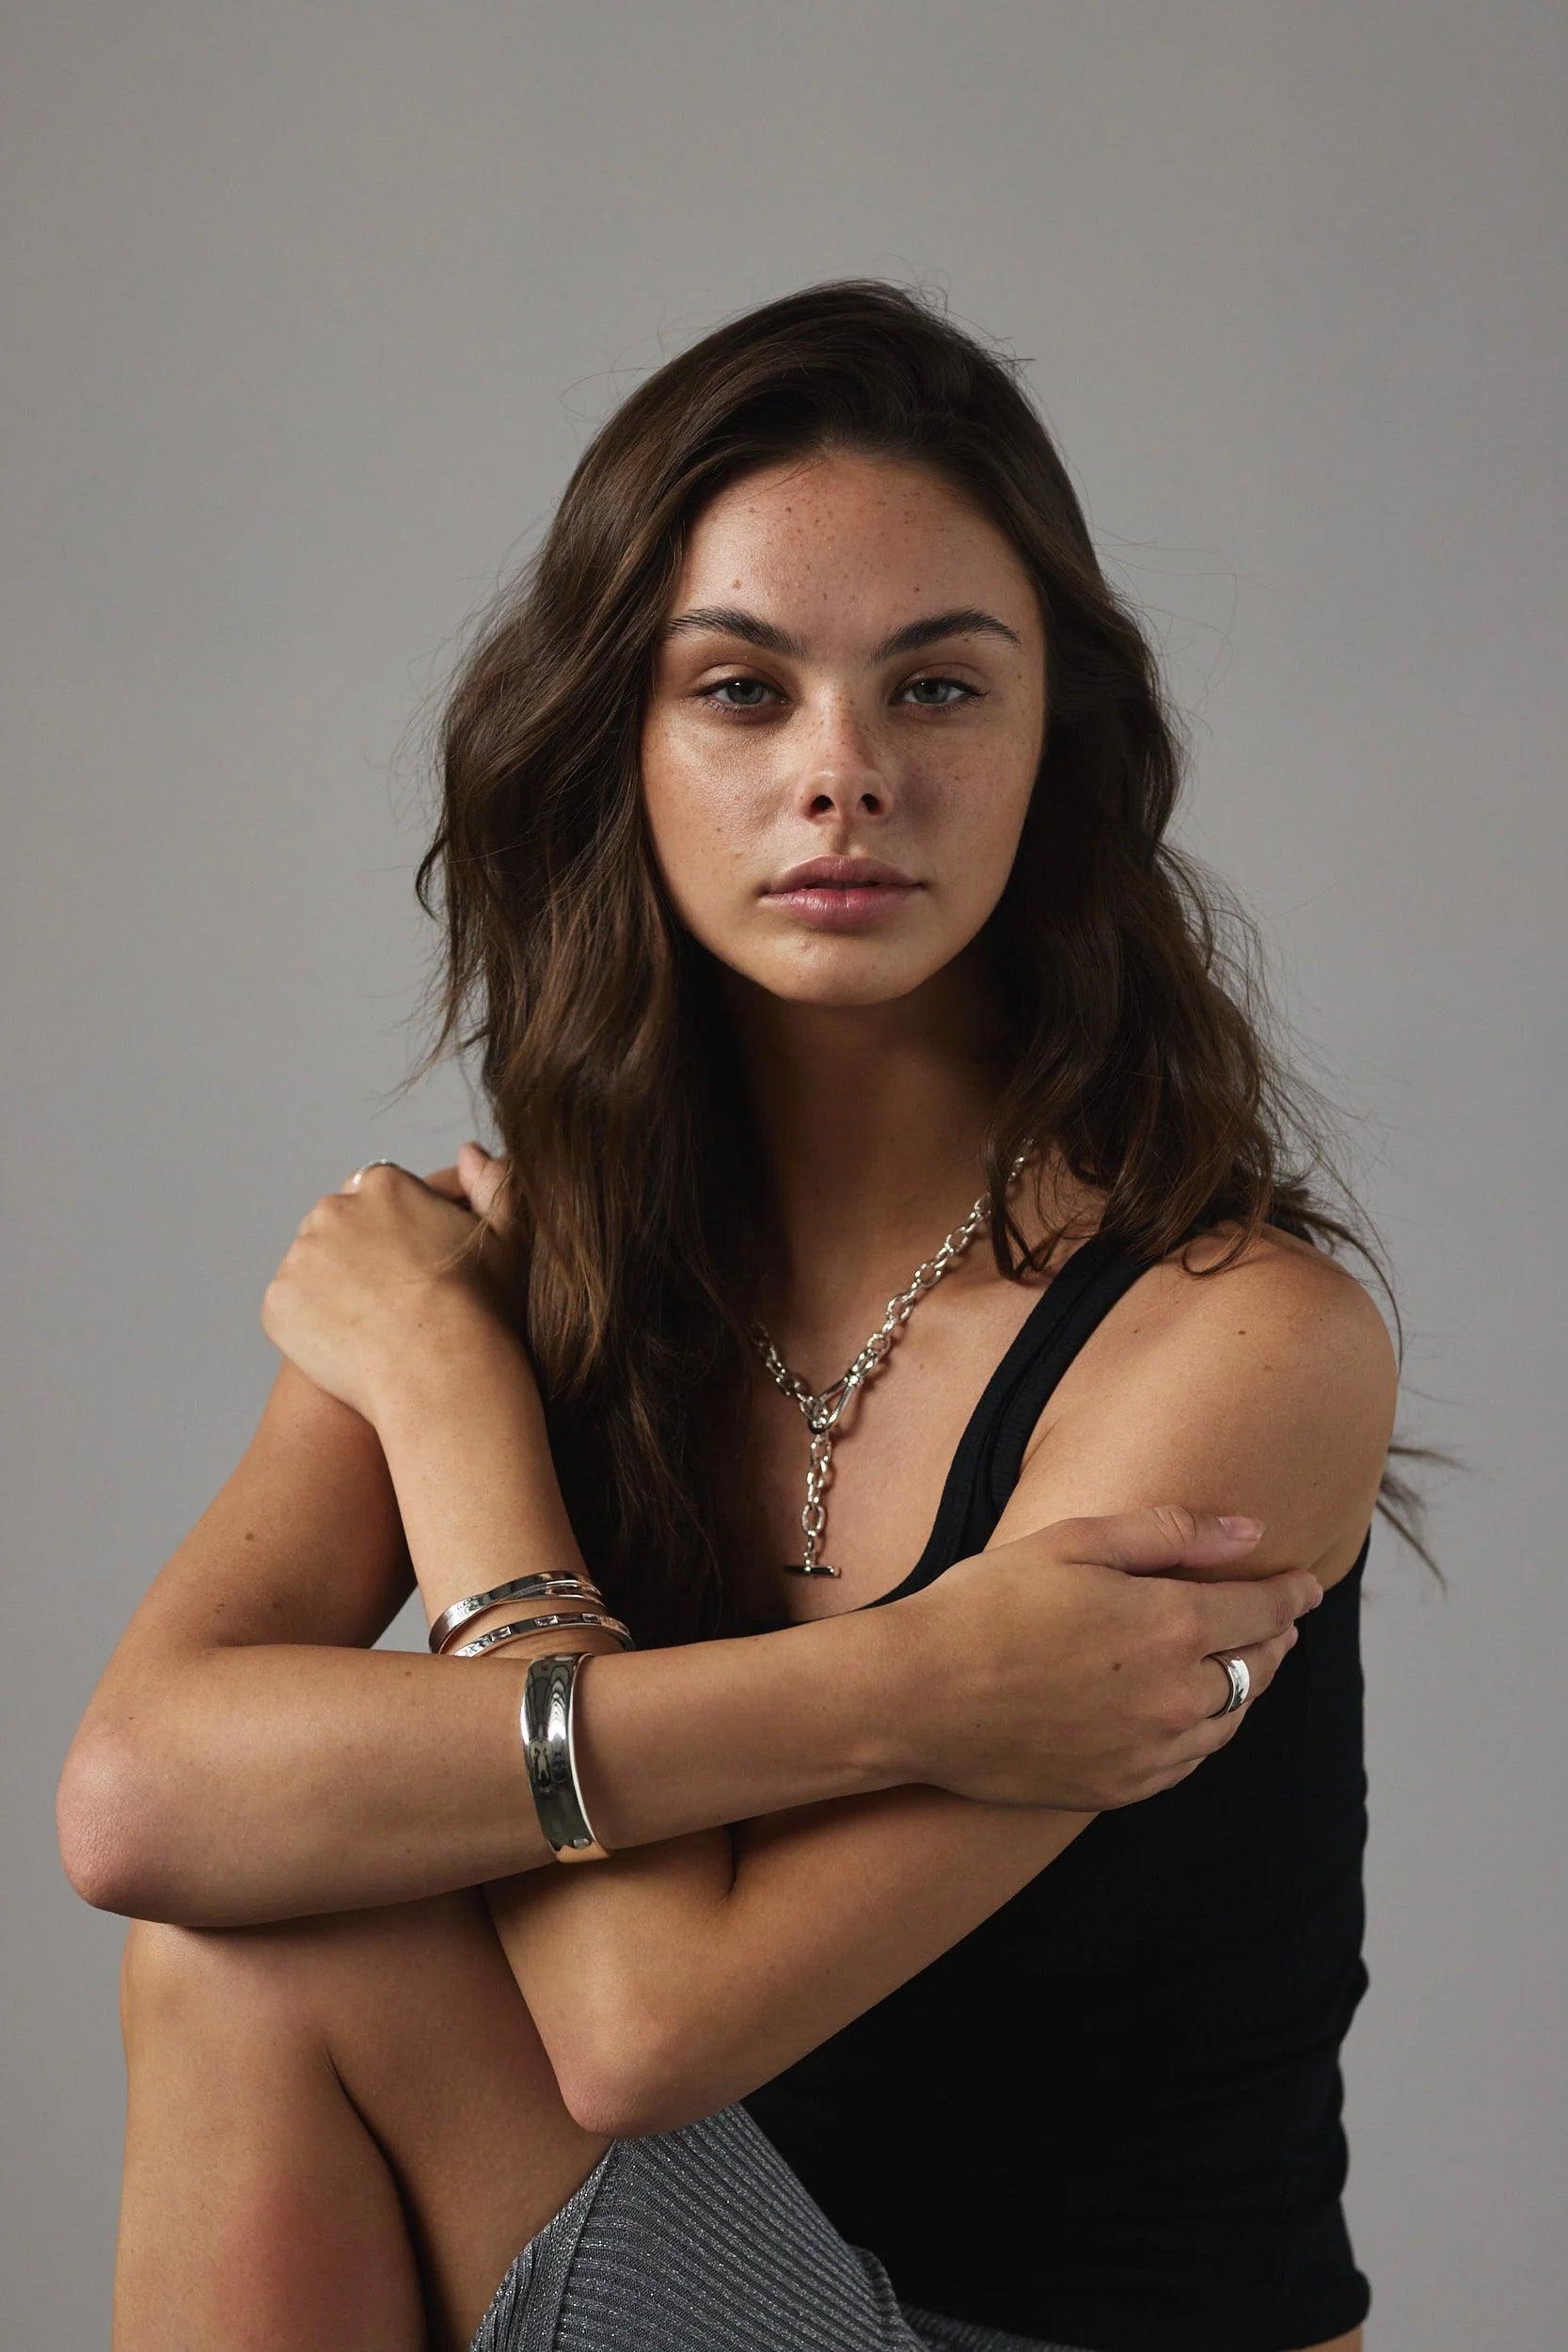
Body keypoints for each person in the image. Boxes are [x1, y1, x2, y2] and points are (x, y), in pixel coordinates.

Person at [58, 280, 1436, 2352]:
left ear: (1058, 746)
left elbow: (640, 2029)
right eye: (740, 689)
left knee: (290, 1942)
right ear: (616, 742)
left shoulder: (1242, 1345)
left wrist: (457, 1422)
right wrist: (917, 1682)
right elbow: (138, 1798)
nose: (842, 775)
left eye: (938, 688)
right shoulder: (488, 1278)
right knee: (229, 1928)